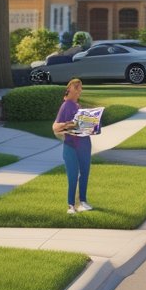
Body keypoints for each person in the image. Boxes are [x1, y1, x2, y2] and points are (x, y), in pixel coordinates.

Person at [52, 78, 97, 215]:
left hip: (84, 145)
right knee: (73, 176)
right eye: (77, 88)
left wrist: (93, 126)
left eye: (80, 88)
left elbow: (84, 126)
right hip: (71, 146)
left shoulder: (78, 107)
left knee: (84, 174)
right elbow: (56, 127)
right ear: (69, 90)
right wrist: (67, 124)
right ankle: (71, 205)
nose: (79, 91)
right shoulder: (66, 106)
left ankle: (83, 202)